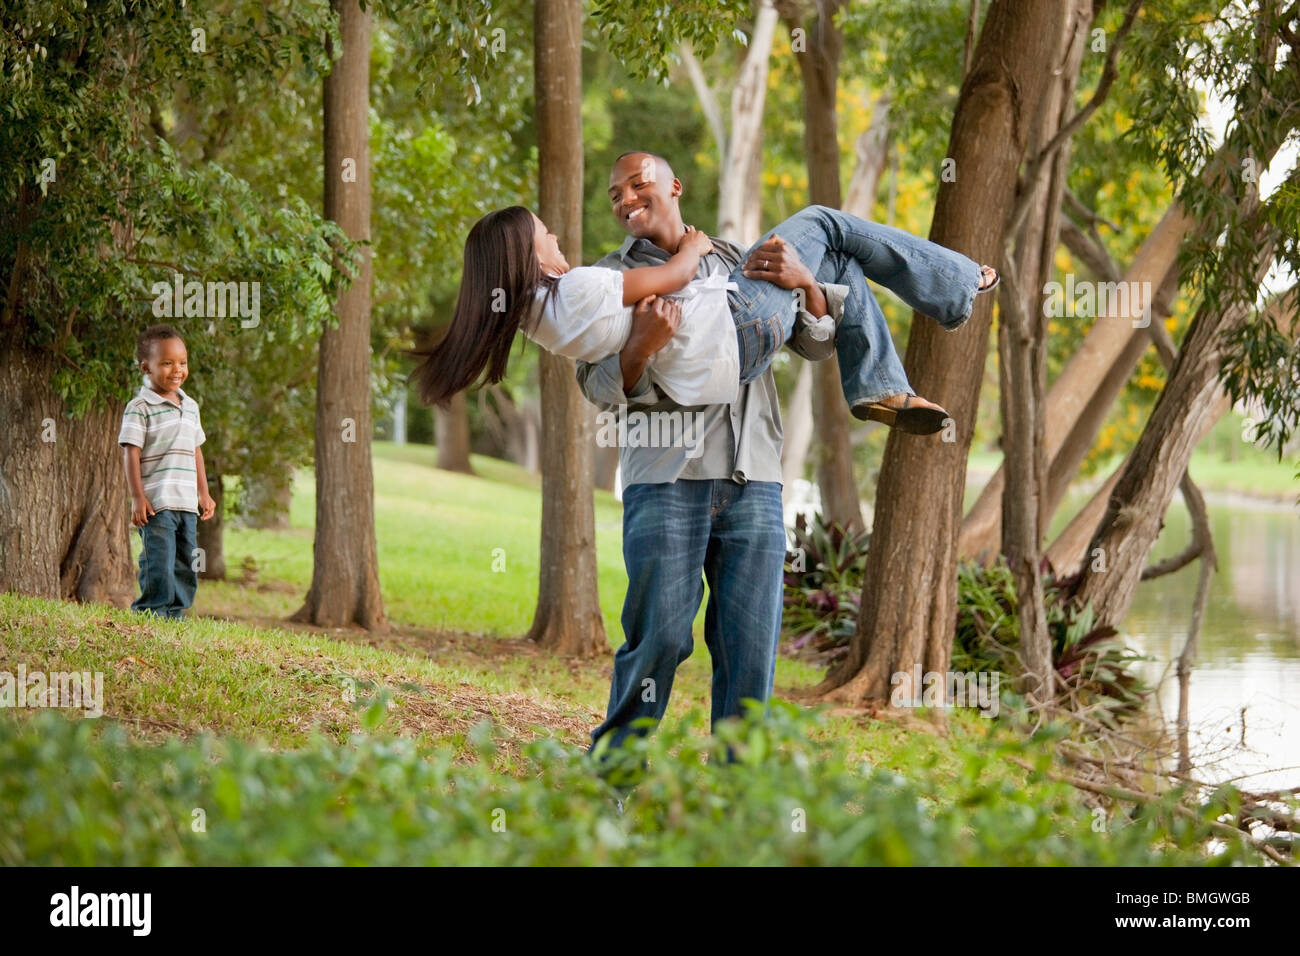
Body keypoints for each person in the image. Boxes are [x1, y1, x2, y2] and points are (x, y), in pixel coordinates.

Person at [118, 324, 216, 619]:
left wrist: (204, 492)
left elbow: (195, 450)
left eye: (182, 362)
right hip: (157, 503)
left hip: (186, 502)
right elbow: (131, 452)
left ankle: (176, 611)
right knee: (159, 559)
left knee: (186, 560)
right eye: (167, 363)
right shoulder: (140, 407)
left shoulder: (191, 406)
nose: (177, 369)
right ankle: (152, 609)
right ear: (146, 368)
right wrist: (138, 497)